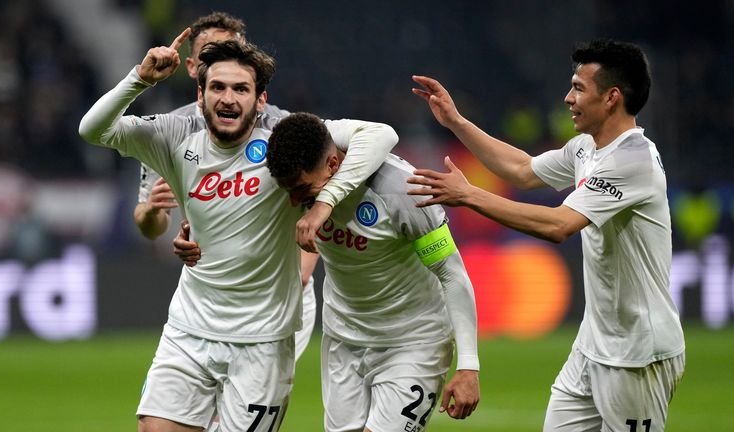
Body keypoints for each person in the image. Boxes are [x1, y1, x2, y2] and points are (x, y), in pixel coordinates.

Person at [79, 34, 398, 432]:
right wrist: (139, 80)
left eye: (241, 89)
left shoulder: (285, 137)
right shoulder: (175, 135)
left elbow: (381, 135)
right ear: (201, 94)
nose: (228, 98)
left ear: (260, 100)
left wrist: (323, 204)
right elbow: (92, 131)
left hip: (263, 341)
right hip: (189, 329)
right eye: (218, 87)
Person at [407, 39, 685, 431]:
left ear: (611, 98)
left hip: (638, 353)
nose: (568, 98)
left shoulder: (632, 161)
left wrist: (469, 194)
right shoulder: (588, 147)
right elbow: (522, 170)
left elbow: (559, 225)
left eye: (578, 88)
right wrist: (456, 121)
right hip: (594, 344)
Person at [178, 112, 481, 430]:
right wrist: (192, 234)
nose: (294, 200)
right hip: (342, 341)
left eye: (302, 189)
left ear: (334, 166)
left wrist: (469, 366)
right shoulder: (299, 181)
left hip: (413, 342)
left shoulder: (402, 190)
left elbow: (451, 274)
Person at [131, 11, 319, 364]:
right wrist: (153, 211)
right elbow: (149, 227)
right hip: (211, 294)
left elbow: (319, 200)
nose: (226, 60)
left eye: (234, 51)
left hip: (275, 292)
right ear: (192, 68)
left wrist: (301, 274)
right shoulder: (168, 132)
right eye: (212, 53)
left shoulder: (279, 127)